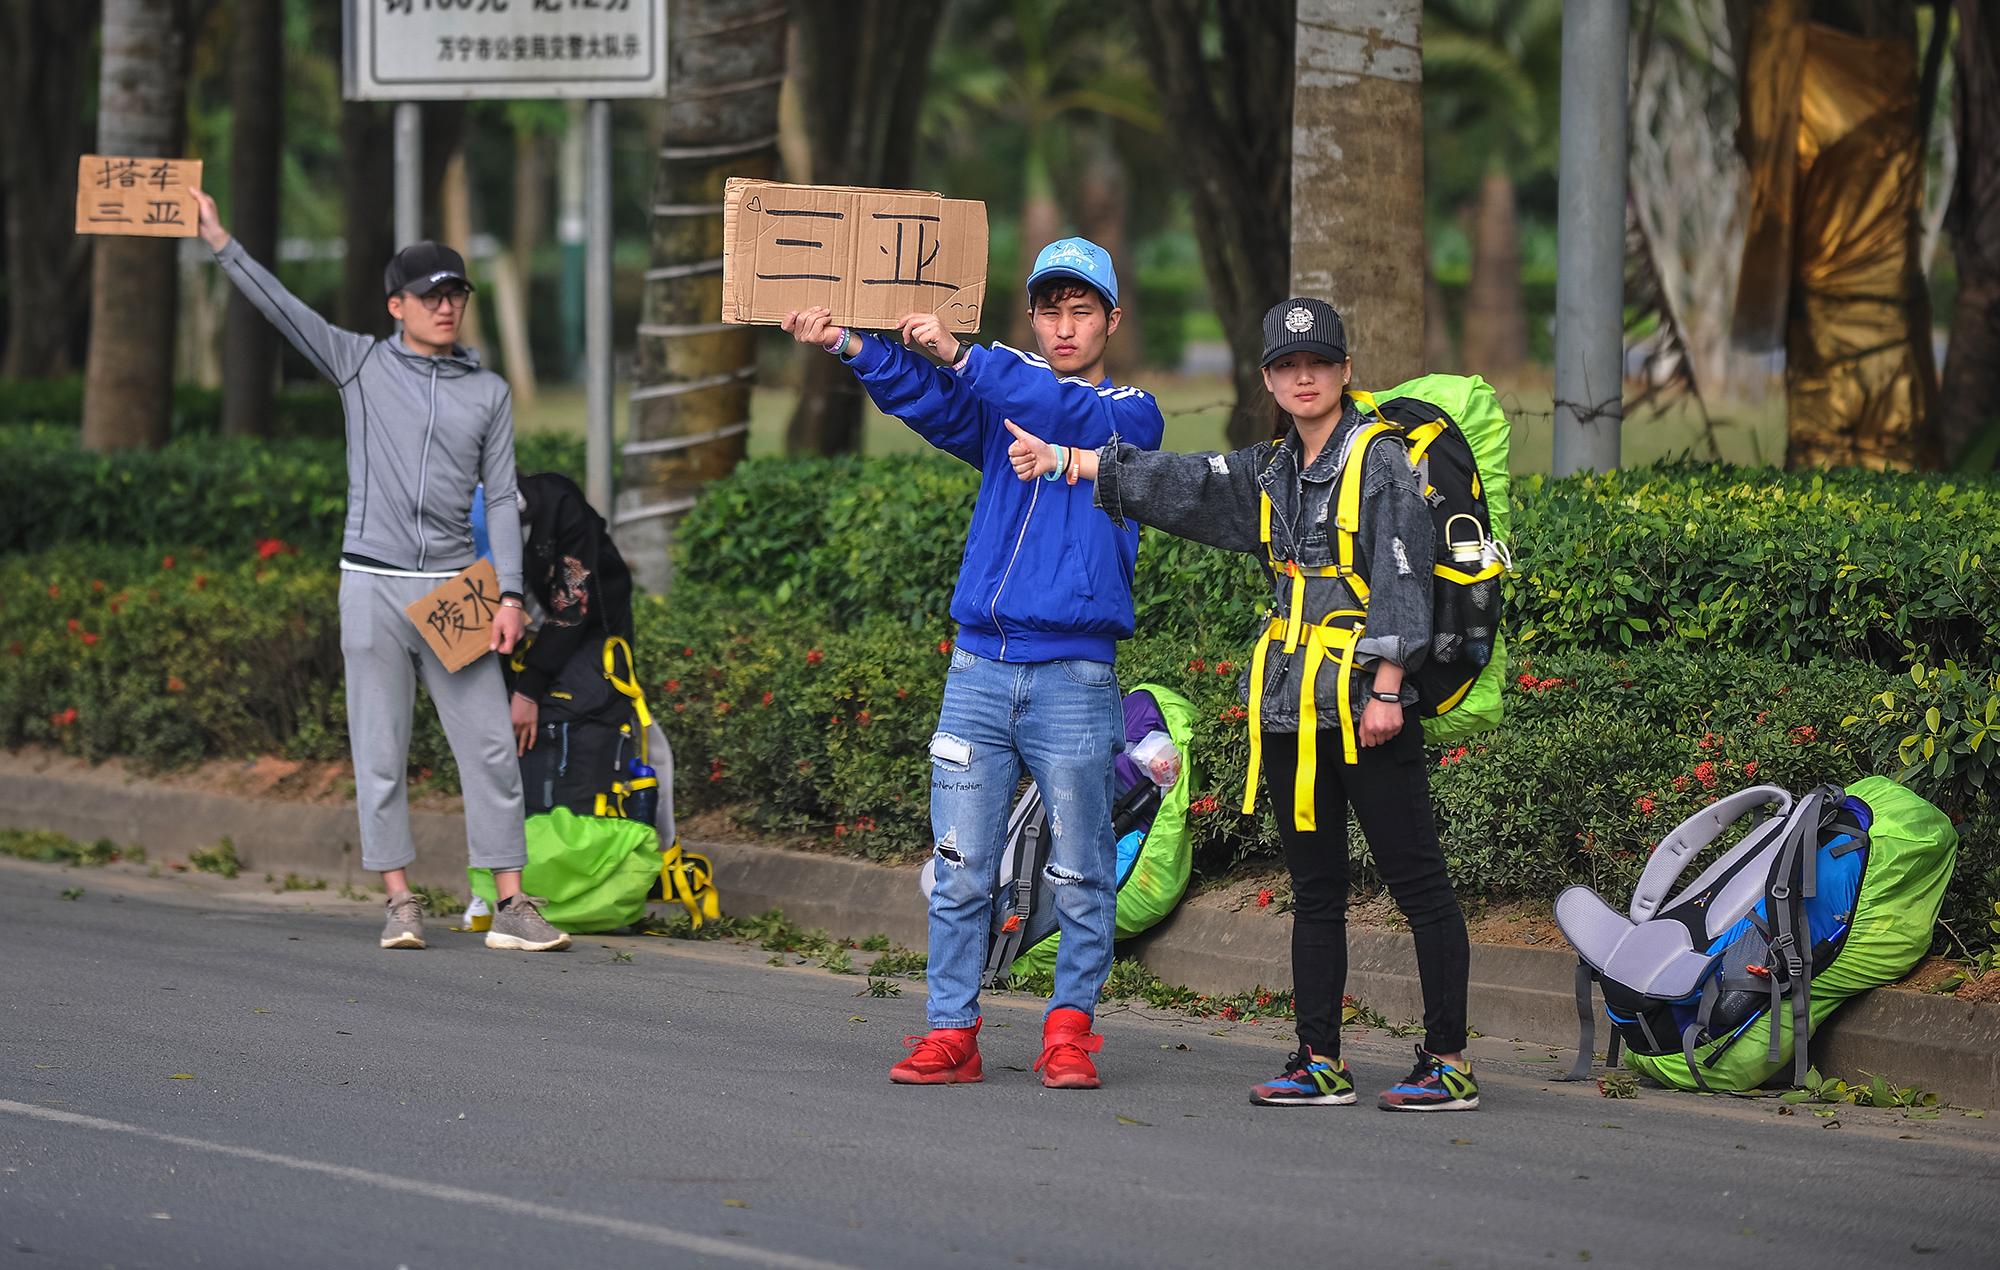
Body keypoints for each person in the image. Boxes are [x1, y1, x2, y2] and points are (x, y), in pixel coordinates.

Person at [1003, 297, 1478, 1112]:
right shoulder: (1270, 470)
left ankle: (1449, 1060)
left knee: (1418, 883)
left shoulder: (1383, 461)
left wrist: (1391, 691)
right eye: (1288, 366)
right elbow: (1184, 482)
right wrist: (1069, 461)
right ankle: (1318, 1059)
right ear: (1267, 378)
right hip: (1293, 711)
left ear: (1344, 373)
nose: (1305, 378)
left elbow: (1408, 582)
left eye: (1319, 364)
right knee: (1317, 889)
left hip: (1369, 708)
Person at [781, 237, 1165, 1089]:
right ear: (1033, 316)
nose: (1065, 327)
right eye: (1050, 311)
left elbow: (1054, 407)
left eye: (1082, 311)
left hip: (1075, 676)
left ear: (1111, 319)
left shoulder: (1130, 416)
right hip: (978, 671)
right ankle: (951, 1032)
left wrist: (963, 353)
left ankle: (1069, 1035)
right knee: (959, 866)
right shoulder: (1004, 398)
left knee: (1083, 869)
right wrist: (850, 343)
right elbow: (930, 399)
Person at [191, 187, 571, 955]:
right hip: (370, 580)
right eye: (432, 295)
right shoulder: (358, 363)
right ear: (395, 305)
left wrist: (508, 594)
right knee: (380, 749)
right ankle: (400, 902)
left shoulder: (489, 393)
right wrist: (221, 240)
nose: (447, 306)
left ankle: (511, 902)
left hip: (456, 592)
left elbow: (501, 498)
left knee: (492, 746)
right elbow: (284, 310)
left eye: (457, 294)